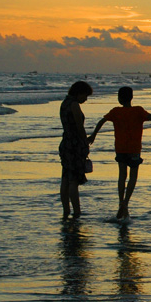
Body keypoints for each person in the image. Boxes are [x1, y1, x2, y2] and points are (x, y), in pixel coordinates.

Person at [89, 87, 151, 220]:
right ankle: (126, 203)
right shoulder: (138, 110)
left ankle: (121, 202)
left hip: (120, 148)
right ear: (131, 97)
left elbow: (101, 121)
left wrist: (93, 135)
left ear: (119, 98)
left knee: (122, 176)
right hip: (134, 149)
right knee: (132, 177)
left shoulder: (116, 111)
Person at [59, 81, 93, 219]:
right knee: (74, 181)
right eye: (85, 95)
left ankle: (66, 210)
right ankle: (77, 211)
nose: (86, 99)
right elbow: (80, 127)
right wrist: (85, 143)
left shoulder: (64, 103)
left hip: (66, 143)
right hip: (74, 145)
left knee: (65, 179)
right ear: (79, 93)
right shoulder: (74, 105)